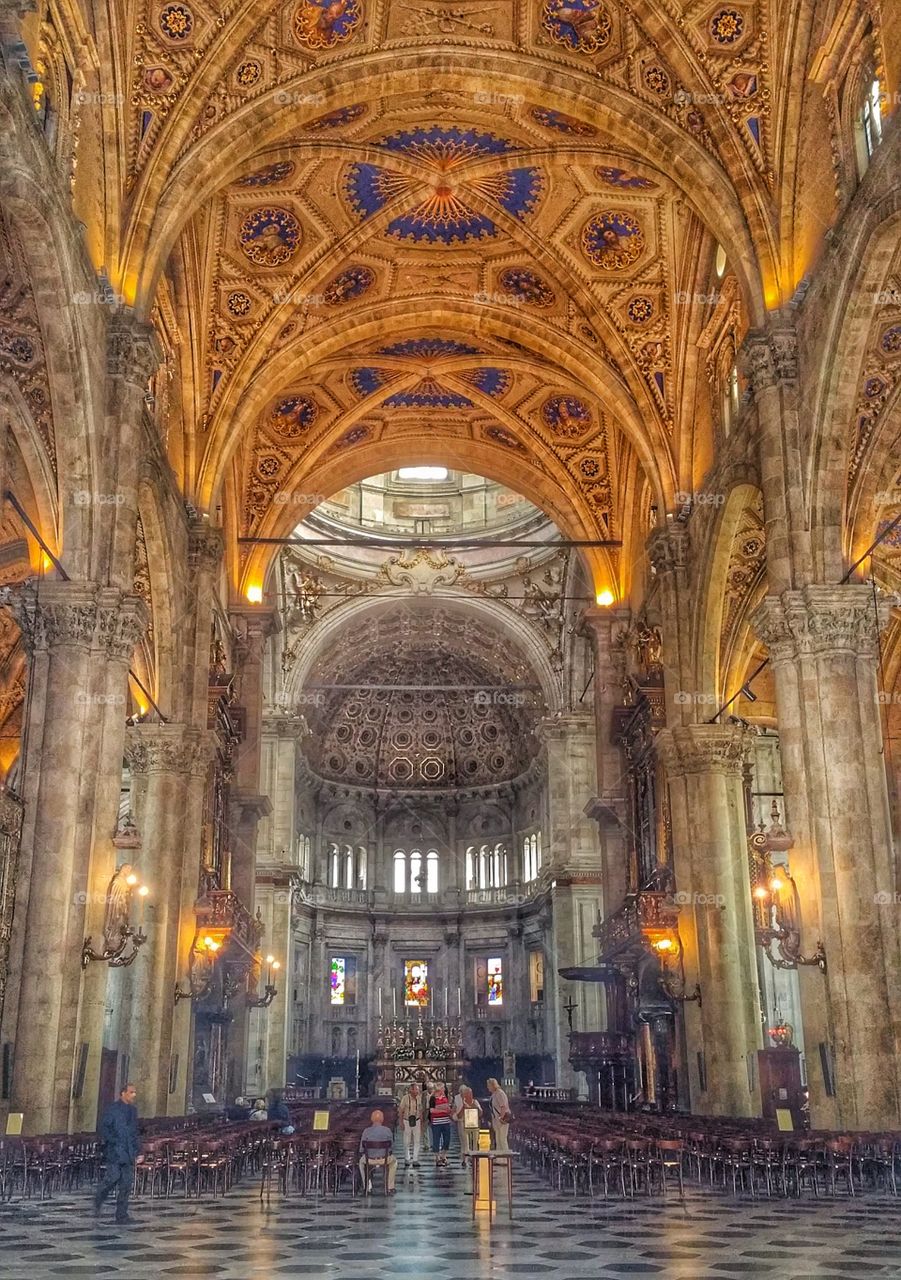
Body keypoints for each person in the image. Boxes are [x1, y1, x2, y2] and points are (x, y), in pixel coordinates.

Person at [93, 1083, 141, 1225]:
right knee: (112, 1178)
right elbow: (104, 1128)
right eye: (131, 1092)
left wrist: (138, 1151)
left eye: (135, 1092)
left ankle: (122, 1215)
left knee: (126, 1184)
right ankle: (99, 1198)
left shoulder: (133, 1111)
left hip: (128, 1152)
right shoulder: (112, 1110)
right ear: (123, 1093)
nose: (134, 1095)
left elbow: (135, 1133)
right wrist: (113, 1141)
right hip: (114, 1151)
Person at [358, 1108, 397, 1194]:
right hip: (384, 1159)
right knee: (394, 1162)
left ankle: (367, 1186)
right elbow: (391, 1148)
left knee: (361, 1163)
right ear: (382, 1119)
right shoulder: (387, 1130)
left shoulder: (366, 1131)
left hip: (369, 1160)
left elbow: (361, 1149)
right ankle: (390, 1187)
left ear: (371, 1119)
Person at [452, 1084, 482, 1166]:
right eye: (467, 1094)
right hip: (463, 1123)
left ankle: (475, 1158)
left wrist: (476, 1107)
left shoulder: (475, 1102)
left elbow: (480, 1113)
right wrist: (463, 1108)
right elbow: (456, 1115)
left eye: (470, 1094)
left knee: (475, 1142)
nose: (469, 1095)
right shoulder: (458, 1101)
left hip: (474, 1124)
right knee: (465, 1142)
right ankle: (465, 1159)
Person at [428, 1081, 452, 1167]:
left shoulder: (445, 1097)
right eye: (443, 1088)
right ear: (439, 1089)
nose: (444, 1089)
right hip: (436, 1122)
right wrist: (442, 1110)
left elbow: (448, 1108)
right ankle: (437, 1158)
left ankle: (444, 1155)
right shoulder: (433, 1098)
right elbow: (432, 1110)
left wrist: (448, 1110)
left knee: (447, 1139)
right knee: (436, 1140)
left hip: (446, 1121)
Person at [398, 1083, 423, 1168]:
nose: (417, 1091)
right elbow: (401, 1111)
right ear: (411, 1090)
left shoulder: (419, 1098)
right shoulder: (405, 1098)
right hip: (407, 1120)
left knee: (417, 1141)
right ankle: (407, 1158)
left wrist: (421, 1122)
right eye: (416, 1089)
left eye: (418, 1089)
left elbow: (420, 1110)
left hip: (417, 1120)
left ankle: (415, 1159)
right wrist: (401, 1122)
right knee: (406, 1141)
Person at [487, 1077, 512, 1153]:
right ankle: (500, 1158)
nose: (488, 1087)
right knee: (498, 1139)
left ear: (492, 1085)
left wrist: (501, 1117)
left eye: (488, 1085)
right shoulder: (494, 1094)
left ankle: (506, 1158)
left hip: (502, 1120)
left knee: (502, 1139)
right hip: (496, 1120)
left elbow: (503, 1106)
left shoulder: (500, 1093)